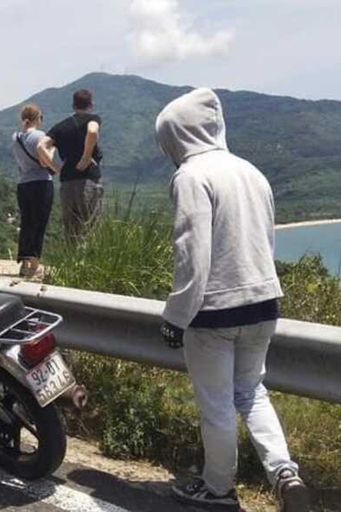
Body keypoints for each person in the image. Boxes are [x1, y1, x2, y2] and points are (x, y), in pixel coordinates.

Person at [156, 88, 309, 512]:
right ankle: (283, 472)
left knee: (217, 404)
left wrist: (176, 315)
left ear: (177, 136)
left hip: (213, 311)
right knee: (252, 392)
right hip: (264, 301)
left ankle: (218, 488)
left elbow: (192, 253)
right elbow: (265, 242)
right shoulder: (251, 172)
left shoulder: (191, 176)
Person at [38, 89, 104, 239]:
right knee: (90, 228)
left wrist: (55, 168)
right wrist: (86, 157)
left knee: (70, 229)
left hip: (67, 181)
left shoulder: (61, 126)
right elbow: (93, 131)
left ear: (73, 106)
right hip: (88, 179)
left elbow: (41, 146)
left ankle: (71, 261)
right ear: (91, 105)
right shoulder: (92, 119)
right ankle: (88, 261)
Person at [11, 104, 56, 278]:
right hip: (41, 183)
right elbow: (46, 162)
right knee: (39, 224)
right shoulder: (41, 136)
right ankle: (35, 267)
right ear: (38, 118)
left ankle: (24, 263)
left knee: (27, 223)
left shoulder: (16, 137)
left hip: (23, 184)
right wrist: (52, 150)